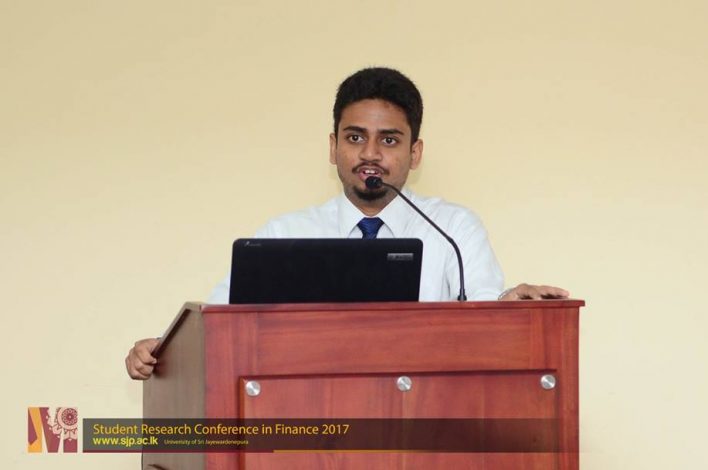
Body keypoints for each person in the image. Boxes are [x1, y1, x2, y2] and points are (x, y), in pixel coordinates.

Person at [126, 67, 569, 380]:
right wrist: (164, 351)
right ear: (333, 146)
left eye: (389, 140)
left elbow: (485, 317)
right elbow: (217, 325)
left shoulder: (453, 229)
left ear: (414, 153)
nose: (370, 154)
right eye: (355, 137)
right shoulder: (284, 235)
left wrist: (509, 304)